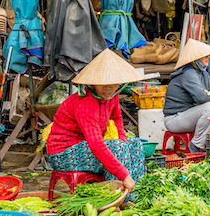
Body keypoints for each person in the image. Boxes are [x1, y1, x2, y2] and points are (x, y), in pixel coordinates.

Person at [46, 49, 146, 192]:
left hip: (85, 147)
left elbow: (116, 117)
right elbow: (96, 144)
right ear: (93, 82)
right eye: (103, 83)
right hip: (63, 154)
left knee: (135, 145)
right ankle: (116, 197)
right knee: (117, 148)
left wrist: (123, 139)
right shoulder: (86, 102)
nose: (108, 88)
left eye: (113, 83)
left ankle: (133, 194)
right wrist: (124, 176)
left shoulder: (112, 96)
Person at [163, 40, 210, 154]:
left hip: (191, 115)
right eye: (204, 55)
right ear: (195, 59)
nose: (207, 57)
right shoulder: (189, 73)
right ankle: (196, 145)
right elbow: (201, 97)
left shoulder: (203, 73)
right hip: (175, 119)